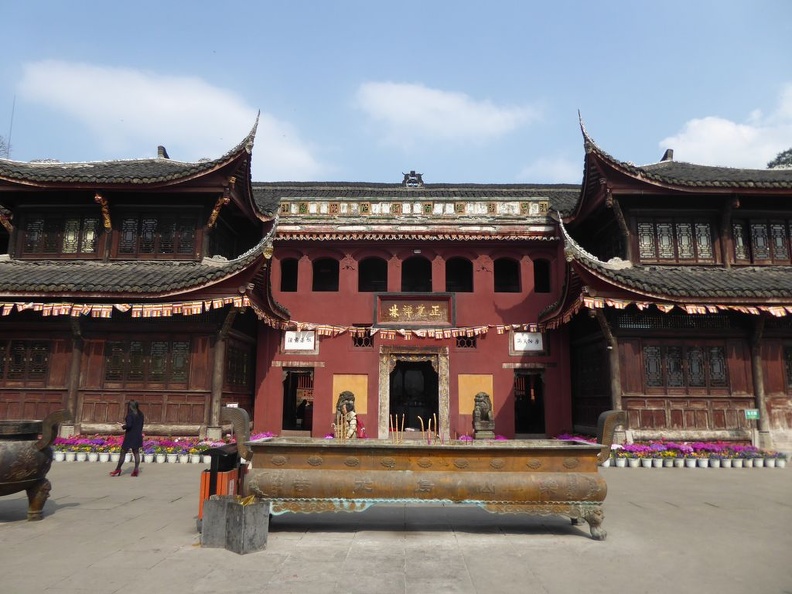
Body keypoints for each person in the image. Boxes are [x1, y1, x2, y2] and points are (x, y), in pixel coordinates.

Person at [110, 400, 144, 477]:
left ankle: (118, 469)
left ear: (130, 406)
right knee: (136, 452)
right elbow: (140, 425)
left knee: (123, 452)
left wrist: (123, 426)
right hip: (138, 435)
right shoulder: (141, 414)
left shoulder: (130, 415)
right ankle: (136, 470)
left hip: (130, 436)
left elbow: (129, 425)